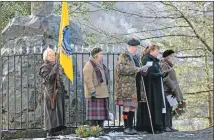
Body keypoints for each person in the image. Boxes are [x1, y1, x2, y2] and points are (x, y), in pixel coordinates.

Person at [115, 38, 147, 135]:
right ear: (129, 47)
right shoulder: (123, 56)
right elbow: (122, 69)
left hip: (135, 85)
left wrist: (143, 70)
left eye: (136, 47)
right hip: (126, 86)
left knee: (133, 107)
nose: (136, 49)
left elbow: (137, 69)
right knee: (127, 107)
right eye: (134, 47)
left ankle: (131, 127)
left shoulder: (136, 57)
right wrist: (136, 69)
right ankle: (126, 127)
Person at [136, 44, 166, 134]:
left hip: (156, 86)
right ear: (152, 51)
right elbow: (148, 74)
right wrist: (159, 75)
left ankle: (158, 125)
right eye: (157, 51)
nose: (158, 53)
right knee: (152, 106)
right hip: (150, 87)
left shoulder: (155, 60)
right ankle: (151, 126)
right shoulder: (146, 59)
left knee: (157, 106)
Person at [39, 47, 67, 137]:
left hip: (59, 91)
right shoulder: (44, 67)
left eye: (53, 55)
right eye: (50, 55)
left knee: (59, 111)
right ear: (46, 57)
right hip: (50, 93)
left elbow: (61, 77)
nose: (52, 57)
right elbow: (49, 79)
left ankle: (58, 129)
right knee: (51, 112)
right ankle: (51, 131)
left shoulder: (57, 65)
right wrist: (55, 68)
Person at [83, 47, 109, 132]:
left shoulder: (100, 64)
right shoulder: (89, 64)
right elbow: (87, 79)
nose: (102, 56)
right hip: (95, 94)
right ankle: (94, 131)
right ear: (96, 55)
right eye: (101, 54)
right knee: (94, 117)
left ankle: (100, 130)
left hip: (102, 93)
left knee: (101, 116)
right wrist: (92, 91)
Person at [160, 50, 185, 132]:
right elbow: (165, 78)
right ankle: (166, 126)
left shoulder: (169, 65)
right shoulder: (164, 65)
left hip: (172, 90)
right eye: (172, 56)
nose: (173, 57)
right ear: (167, 56)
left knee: (170, 107)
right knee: (167, 108)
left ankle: (169, 126)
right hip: (168, 90)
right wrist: (173, 87)